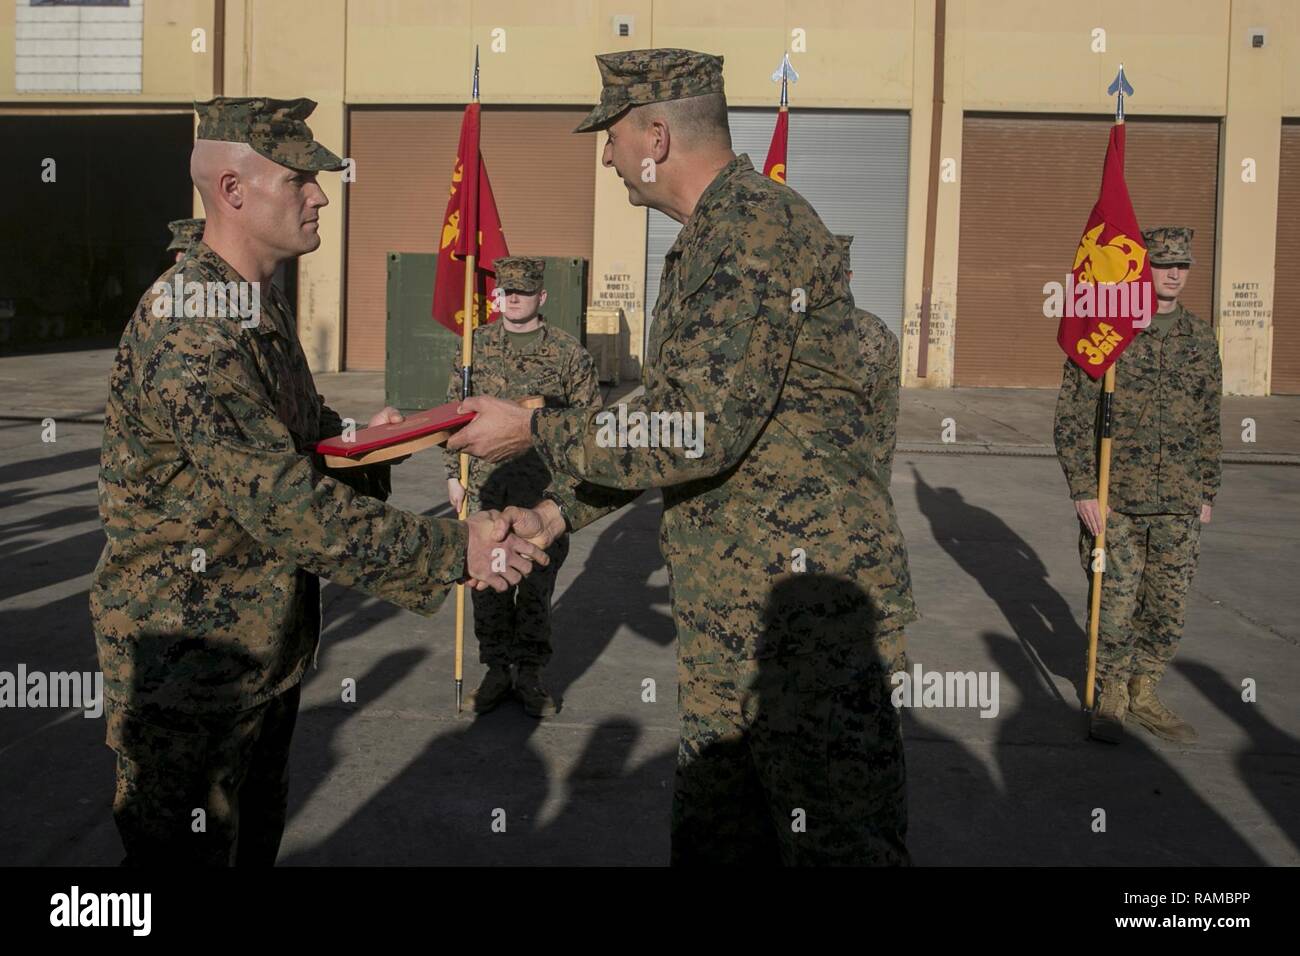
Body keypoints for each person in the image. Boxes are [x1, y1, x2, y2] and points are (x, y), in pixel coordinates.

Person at [447, 50, 917, 865]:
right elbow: (670, 422)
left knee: (836, 848)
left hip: (801, 630)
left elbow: (697, 428)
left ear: (657, 135)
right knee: (719, 840)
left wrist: (536, 429)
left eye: (613, 136)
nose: (607, 155)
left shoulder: (750, 233)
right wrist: (559, 511)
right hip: (740, 618)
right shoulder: (713, 236)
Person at [92, 95, 547, 866]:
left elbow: (304, 444)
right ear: (233, 191)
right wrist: (456, 548)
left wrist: (371, 444)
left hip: (263, 654)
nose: (319, 194)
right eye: (299, 179)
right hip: (193, 670)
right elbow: (287, 508)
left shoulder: (252, 304)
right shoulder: (193, 328)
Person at [1054, 225, 1222, 744]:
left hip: (1178, 499)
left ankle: (1144, 688)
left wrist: (1207, 489)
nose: (1174, 273)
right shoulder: (1110, 334)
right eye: (1164, 263)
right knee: (1114, 601)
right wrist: (1083, 488)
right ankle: (1110, 695)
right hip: (1116, 500)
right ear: (1142, 268)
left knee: (1167, 603)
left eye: (1183, 265)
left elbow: (1209, 417)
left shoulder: (1199, 338)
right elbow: (1071, 417)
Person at [446, 256, 603, 716]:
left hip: (543, 494)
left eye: (522, 291)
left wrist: (573, 488)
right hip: (486, 491)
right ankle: (496, 671)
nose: (512, 298)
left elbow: (590, 424)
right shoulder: (475, 348)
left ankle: (530, 675)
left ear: (542, 297)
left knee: (535, 587)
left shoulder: (568, 353)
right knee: (487, 586)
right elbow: (452, 413)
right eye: (505, 291)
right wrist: (451, 474)